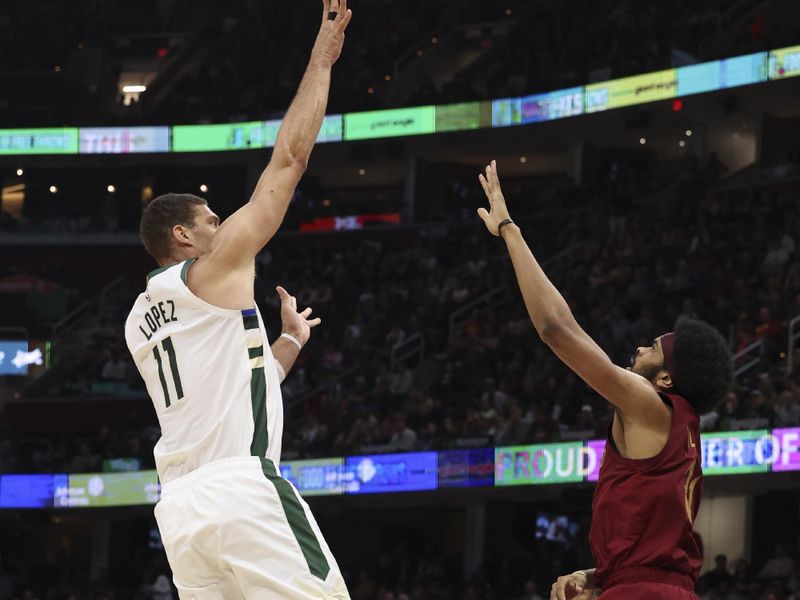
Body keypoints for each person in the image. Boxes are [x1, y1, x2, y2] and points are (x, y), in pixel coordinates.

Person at [124, 1, 352, 598]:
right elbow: (289, 161)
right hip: (240, 490)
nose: (222, 227)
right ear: (183, 235)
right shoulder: (210, 269)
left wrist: (287, 343)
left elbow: (235, 388)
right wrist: (320, 63)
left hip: (180, 513)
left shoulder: (138, 319)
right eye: (211, 220)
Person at [476, 161, 734, 600]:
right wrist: (597, 576)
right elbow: (655, 558)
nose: (638, 350)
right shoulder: (682, 430)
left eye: (652, 348)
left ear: (667, 377)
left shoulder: (651, 404)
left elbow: (557, 328)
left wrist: (508, 229)